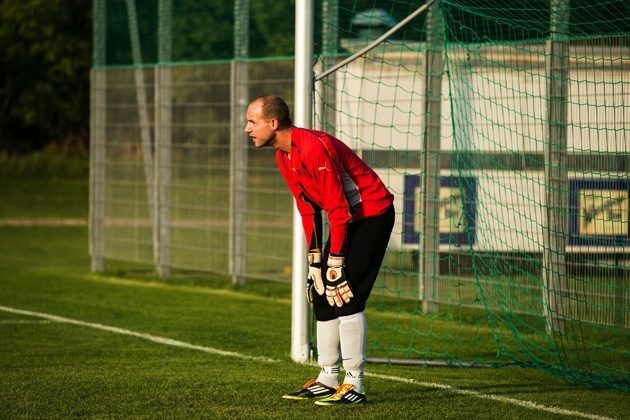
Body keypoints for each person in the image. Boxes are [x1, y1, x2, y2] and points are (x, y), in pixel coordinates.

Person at [245, 95, 395, 406]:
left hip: (371, 214)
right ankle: (328, 378)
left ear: (273, 123)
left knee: (345, 291)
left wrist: (336, 263)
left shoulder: (313, 146)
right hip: (347, 219)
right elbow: (308, 209)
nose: (247, 128)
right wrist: (316, 262)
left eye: (252, 121)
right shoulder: (283, 155)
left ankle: (355, 384)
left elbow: (339, 209)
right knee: (321, 291)